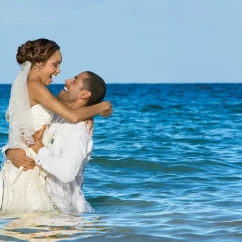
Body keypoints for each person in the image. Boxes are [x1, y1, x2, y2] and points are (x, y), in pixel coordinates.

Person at [0, 38, 112, 213]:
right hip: (29, 166)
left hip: (32, 168)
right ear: (39, 63)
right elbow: (73, 115)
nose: (59, 72)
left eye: (74, 79)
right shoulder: (35, 87)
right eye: (55, 64)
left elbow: (70, 116)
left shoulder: (31, 88)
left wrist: (89, 112)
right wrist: (103, 106)